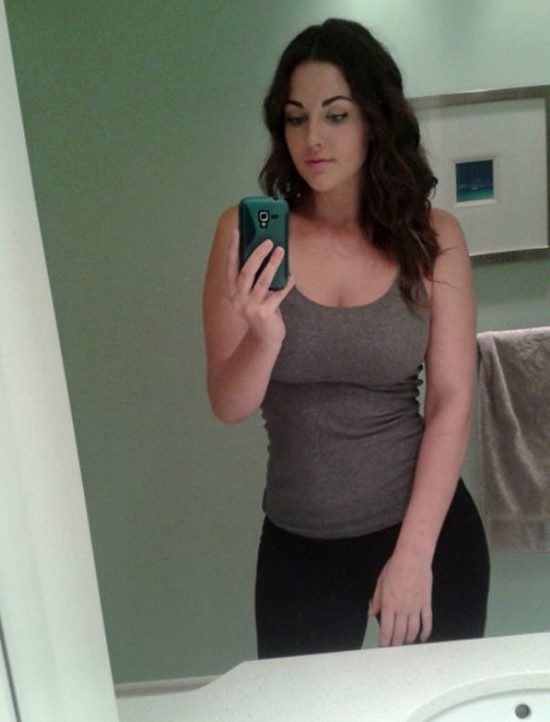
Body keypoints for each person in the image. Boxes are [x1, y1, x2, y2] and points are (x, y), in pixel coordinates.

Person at [202, 18, 490, 658]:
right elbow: (229, 403)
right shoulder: (244, 235)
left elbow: (450, 400)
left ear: (374, 119)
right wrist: (265, 334)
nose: (313, 137)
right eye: (296, 117)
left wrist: (413, 556)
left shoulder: (433, 237)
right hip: (299, 543)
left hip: (424, 533)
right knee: (302, 705)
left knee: (433, 701)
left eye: (336, 114)